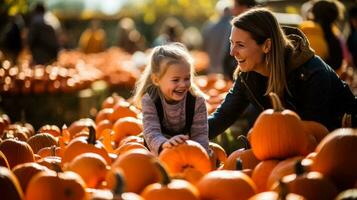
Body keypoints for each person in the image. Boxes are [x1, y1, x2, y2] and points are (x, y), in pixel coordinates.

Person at [208, 8, 357, 139]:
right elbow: (222, 117)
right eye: (231, 43)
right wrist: (188, 135)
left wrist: (264, 133)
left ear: (267, 45)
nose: (232, 52)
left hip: (341, 148)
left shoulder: (311, 72)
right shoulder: (247, 76)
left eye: (240, 45)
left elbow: (317, 132)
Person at [133, 42, 210, 155]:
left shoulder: (196, 101)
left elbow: (200, 134)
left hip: (187, 150)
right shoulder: (151, 100)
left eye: (187, 78)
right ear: (156, 80)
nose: (183, 84)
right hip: (158, 152)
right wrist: (164, 144)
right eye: (175, 80)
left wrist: (202, 155)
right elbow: (151, 131)